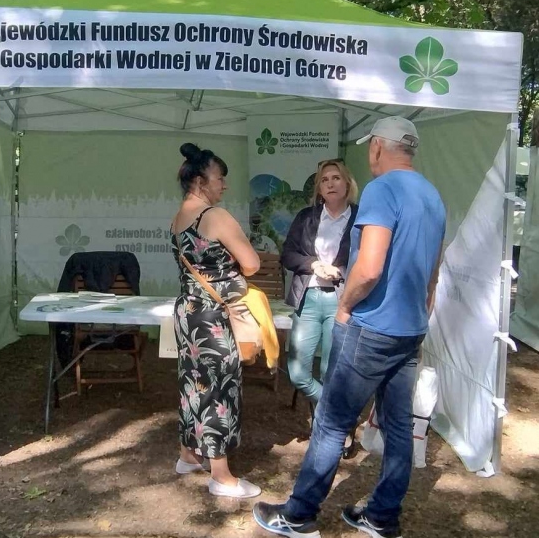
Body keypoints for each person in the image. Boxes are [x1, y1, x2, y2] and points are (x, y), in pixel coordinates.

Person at [253, 116, 446, 538]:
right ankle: (382, 517)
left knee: (331, 422)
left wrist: (344, 306)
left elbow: (369, 268)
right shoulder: (432, 195)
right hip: (409, 328)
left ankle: (299, 515)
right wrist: (419, 315)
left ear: (377, 146)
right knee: (398, 425)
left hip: (371, 327)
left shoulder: (381, 190)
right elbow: (433, 273)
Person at [170, 142, 263, 499]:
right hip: (213, 316)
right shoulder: (216, 217)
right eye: (219, 178)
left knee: (192, 384)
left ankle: (188, 454)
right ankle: (221, 475)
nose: (224, 185)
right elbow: (252, 263)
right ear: (200, 181)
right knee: (218, 389)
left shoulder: (179, 217)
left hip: (188, 311)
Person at [281, 159, 359, 410]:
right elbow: (287, 255)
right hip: (308, 298)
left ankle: (325, 426)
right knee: (297, 374)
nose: (330, 184)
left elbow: (370, 259)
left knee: (330, 370)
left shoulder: (361, 218)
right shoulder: (307, 217)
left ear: (347, 183)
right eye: (324, 180)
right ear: (319, 188)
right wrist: (314, 265)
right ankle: (335, 413)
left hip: (342, 300)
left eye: (336, 178)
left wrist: (339, 271)